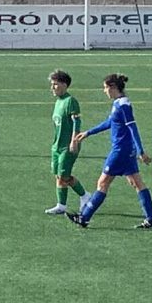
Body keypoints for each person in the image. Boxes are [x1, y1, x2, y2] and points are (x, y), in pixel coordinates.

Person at [67, 74, 152, 229]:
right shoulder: (119, 103)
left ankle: (84, 218)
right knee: (136, 183)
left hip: (120, 151)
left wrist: (141, 151)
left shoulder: (123, 105)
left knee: (102, 183)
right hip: (126, 150)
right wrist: (89, 132)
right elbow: (111, 122)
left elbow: (132, 127)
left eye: (105, 87)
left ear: (113, 87)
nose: (104, 91)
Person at [44, 70, 92, 215]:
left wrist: (74, 141)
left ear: (64, 85)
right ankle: (62, 205)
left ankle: (84, 196)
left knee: (64, 176)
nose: (52, 87)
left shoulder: (70, 101)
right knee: (59, 176)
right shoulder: (58, 102)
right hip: (57, 146)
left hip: (68, 146)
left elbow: (77, 122)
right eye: (52, 84)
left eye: (55, 84)